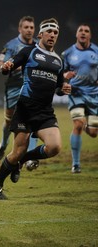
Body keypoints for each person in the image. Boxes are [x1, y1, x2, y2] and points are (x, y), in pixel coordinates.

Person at [0, 18, 71, 200]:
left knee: (55, 147)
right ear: (40, 34)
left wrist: (63, 88)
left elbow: (58, 88)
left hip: (45, 112)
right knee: (16, 151)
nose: (52, 35)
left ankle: (25, 159)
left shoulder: (59, 61)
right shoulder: (28, 51)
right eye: (49, 31)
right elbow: (6, 68)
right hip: (25, 108)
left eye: (55, 32)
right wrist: (6, 66)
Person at [0, 16, 39, 166]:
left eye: (32, 27)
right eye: (26, 27)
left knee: (32, 119)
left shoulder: (39, 46)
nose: (29, 30)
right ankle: (3, 143)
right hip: (13, 88)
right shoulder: (11, 45)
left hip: (32, 88)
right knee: (9, 121)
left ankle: (30, 157)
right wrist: (11, 66)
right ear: (20, 29)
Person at [61, 23, 98, 174]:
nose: (83, 33)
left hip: (94, 94)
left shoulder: (96, 51)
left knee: (93, 132)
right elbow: (61, 73)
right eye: (80, 31)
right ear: (76, 34)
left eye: (86, 31)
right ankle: (76, 164)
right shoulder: (67, 53)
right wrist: (65, 76)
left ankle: (84, 122)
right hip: (75, 93)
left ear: (90, 35)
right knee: (77, 124)